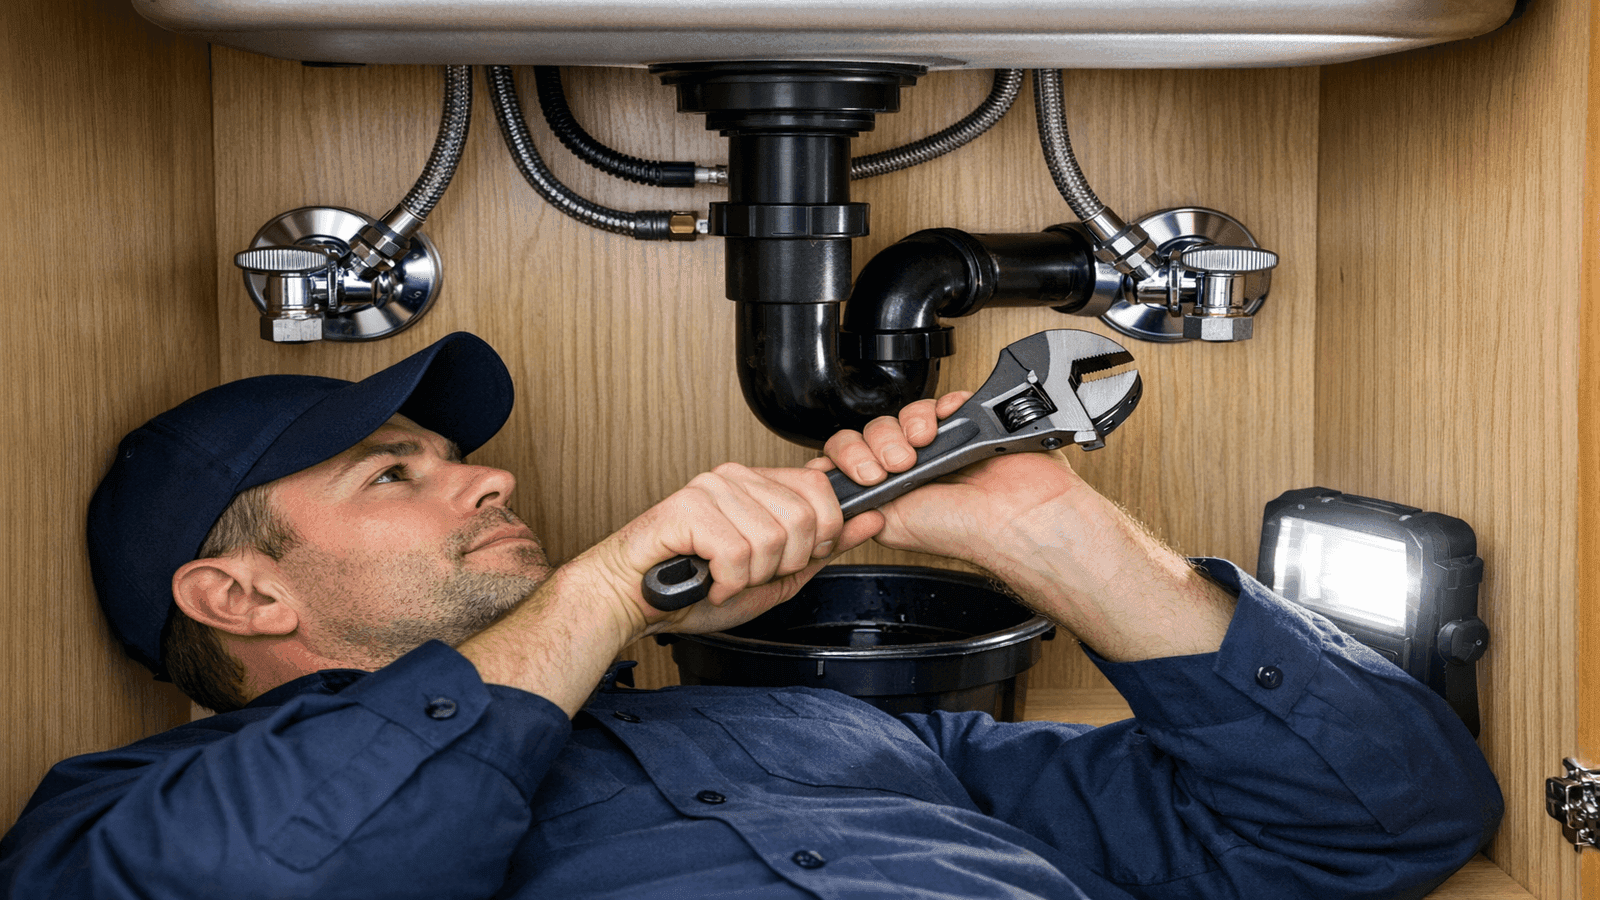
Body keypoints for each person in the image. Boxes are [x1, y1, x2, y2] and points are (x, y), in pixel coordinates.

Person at [1, 332, 1499, 899]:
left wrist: (1049, 532)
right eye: (398, 471)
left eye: (459, 455)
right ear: (240, 591)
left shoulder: (824, 729)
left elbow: (1383, 823)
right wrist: (600, 585)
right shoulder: (127, 822)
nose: (490, 477)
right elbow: (298, 876)